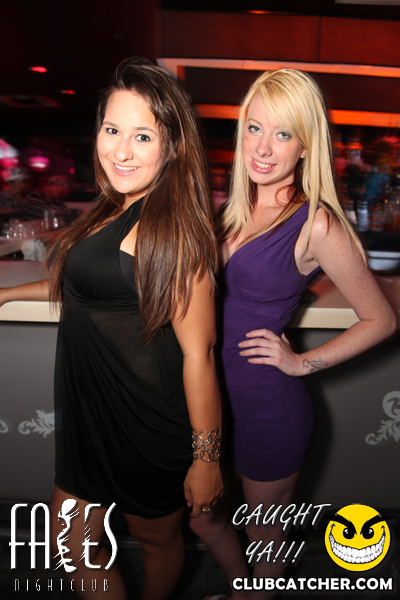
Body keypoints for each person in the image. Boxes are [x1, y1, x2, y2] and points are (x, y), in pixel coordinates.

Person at [0, 57, 223, 600]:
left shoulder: (174, 231)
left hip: (145, 422)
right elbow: (82, 289)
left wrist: (207, 459)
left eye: (142, 136)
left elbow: (199, 355)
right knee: (71, 540)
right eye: (111, 129)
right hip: (89, 415)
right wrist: (4, 295)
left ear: (172, 146)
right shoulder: (112, 206)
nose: (121, 151)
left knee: (156, 539)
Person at [189, 69, 397, 600]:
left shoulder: (315, 223)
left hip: (267, 405)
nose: (262, 148)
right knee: (202, 518)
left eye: (282, 134)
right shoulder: (232, 209)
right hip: (210, 397)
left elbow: (381, 319)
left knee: (264, 539)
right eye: (254, 128)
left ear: (306, 145)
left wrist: (301, 363)